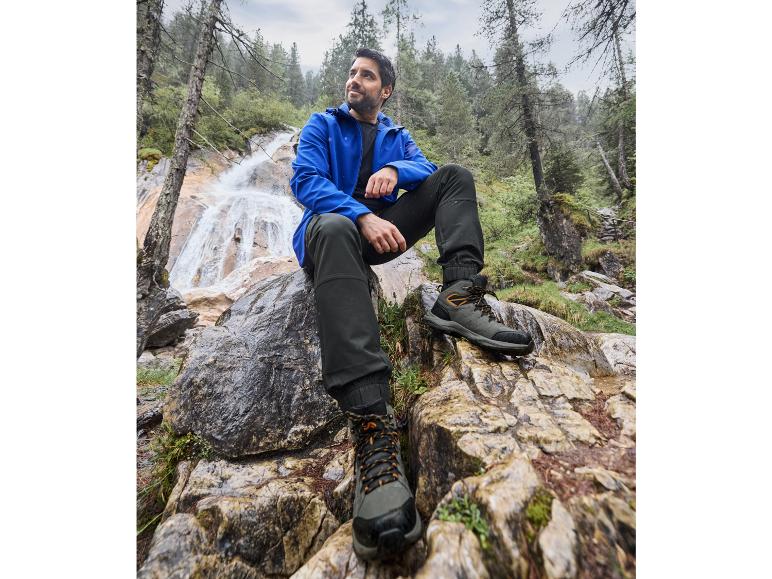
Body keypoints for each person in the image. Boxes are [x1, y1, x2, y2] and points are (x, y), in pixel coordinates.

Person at [290, 48, 534, 560]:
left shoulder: (396, 135)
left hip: (382, 231)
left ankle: (457, 294)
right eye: (352, 73)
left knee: (455, 176)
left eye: (367, 75)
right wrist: (361, 214)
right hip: (330, 234)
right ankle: (371, 422)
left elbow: (425, 167)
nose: (354, 80)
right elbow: (306, 181)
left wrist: (395, 171)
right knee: (334, 225)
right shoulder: (322, 124)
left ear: (385, 91)